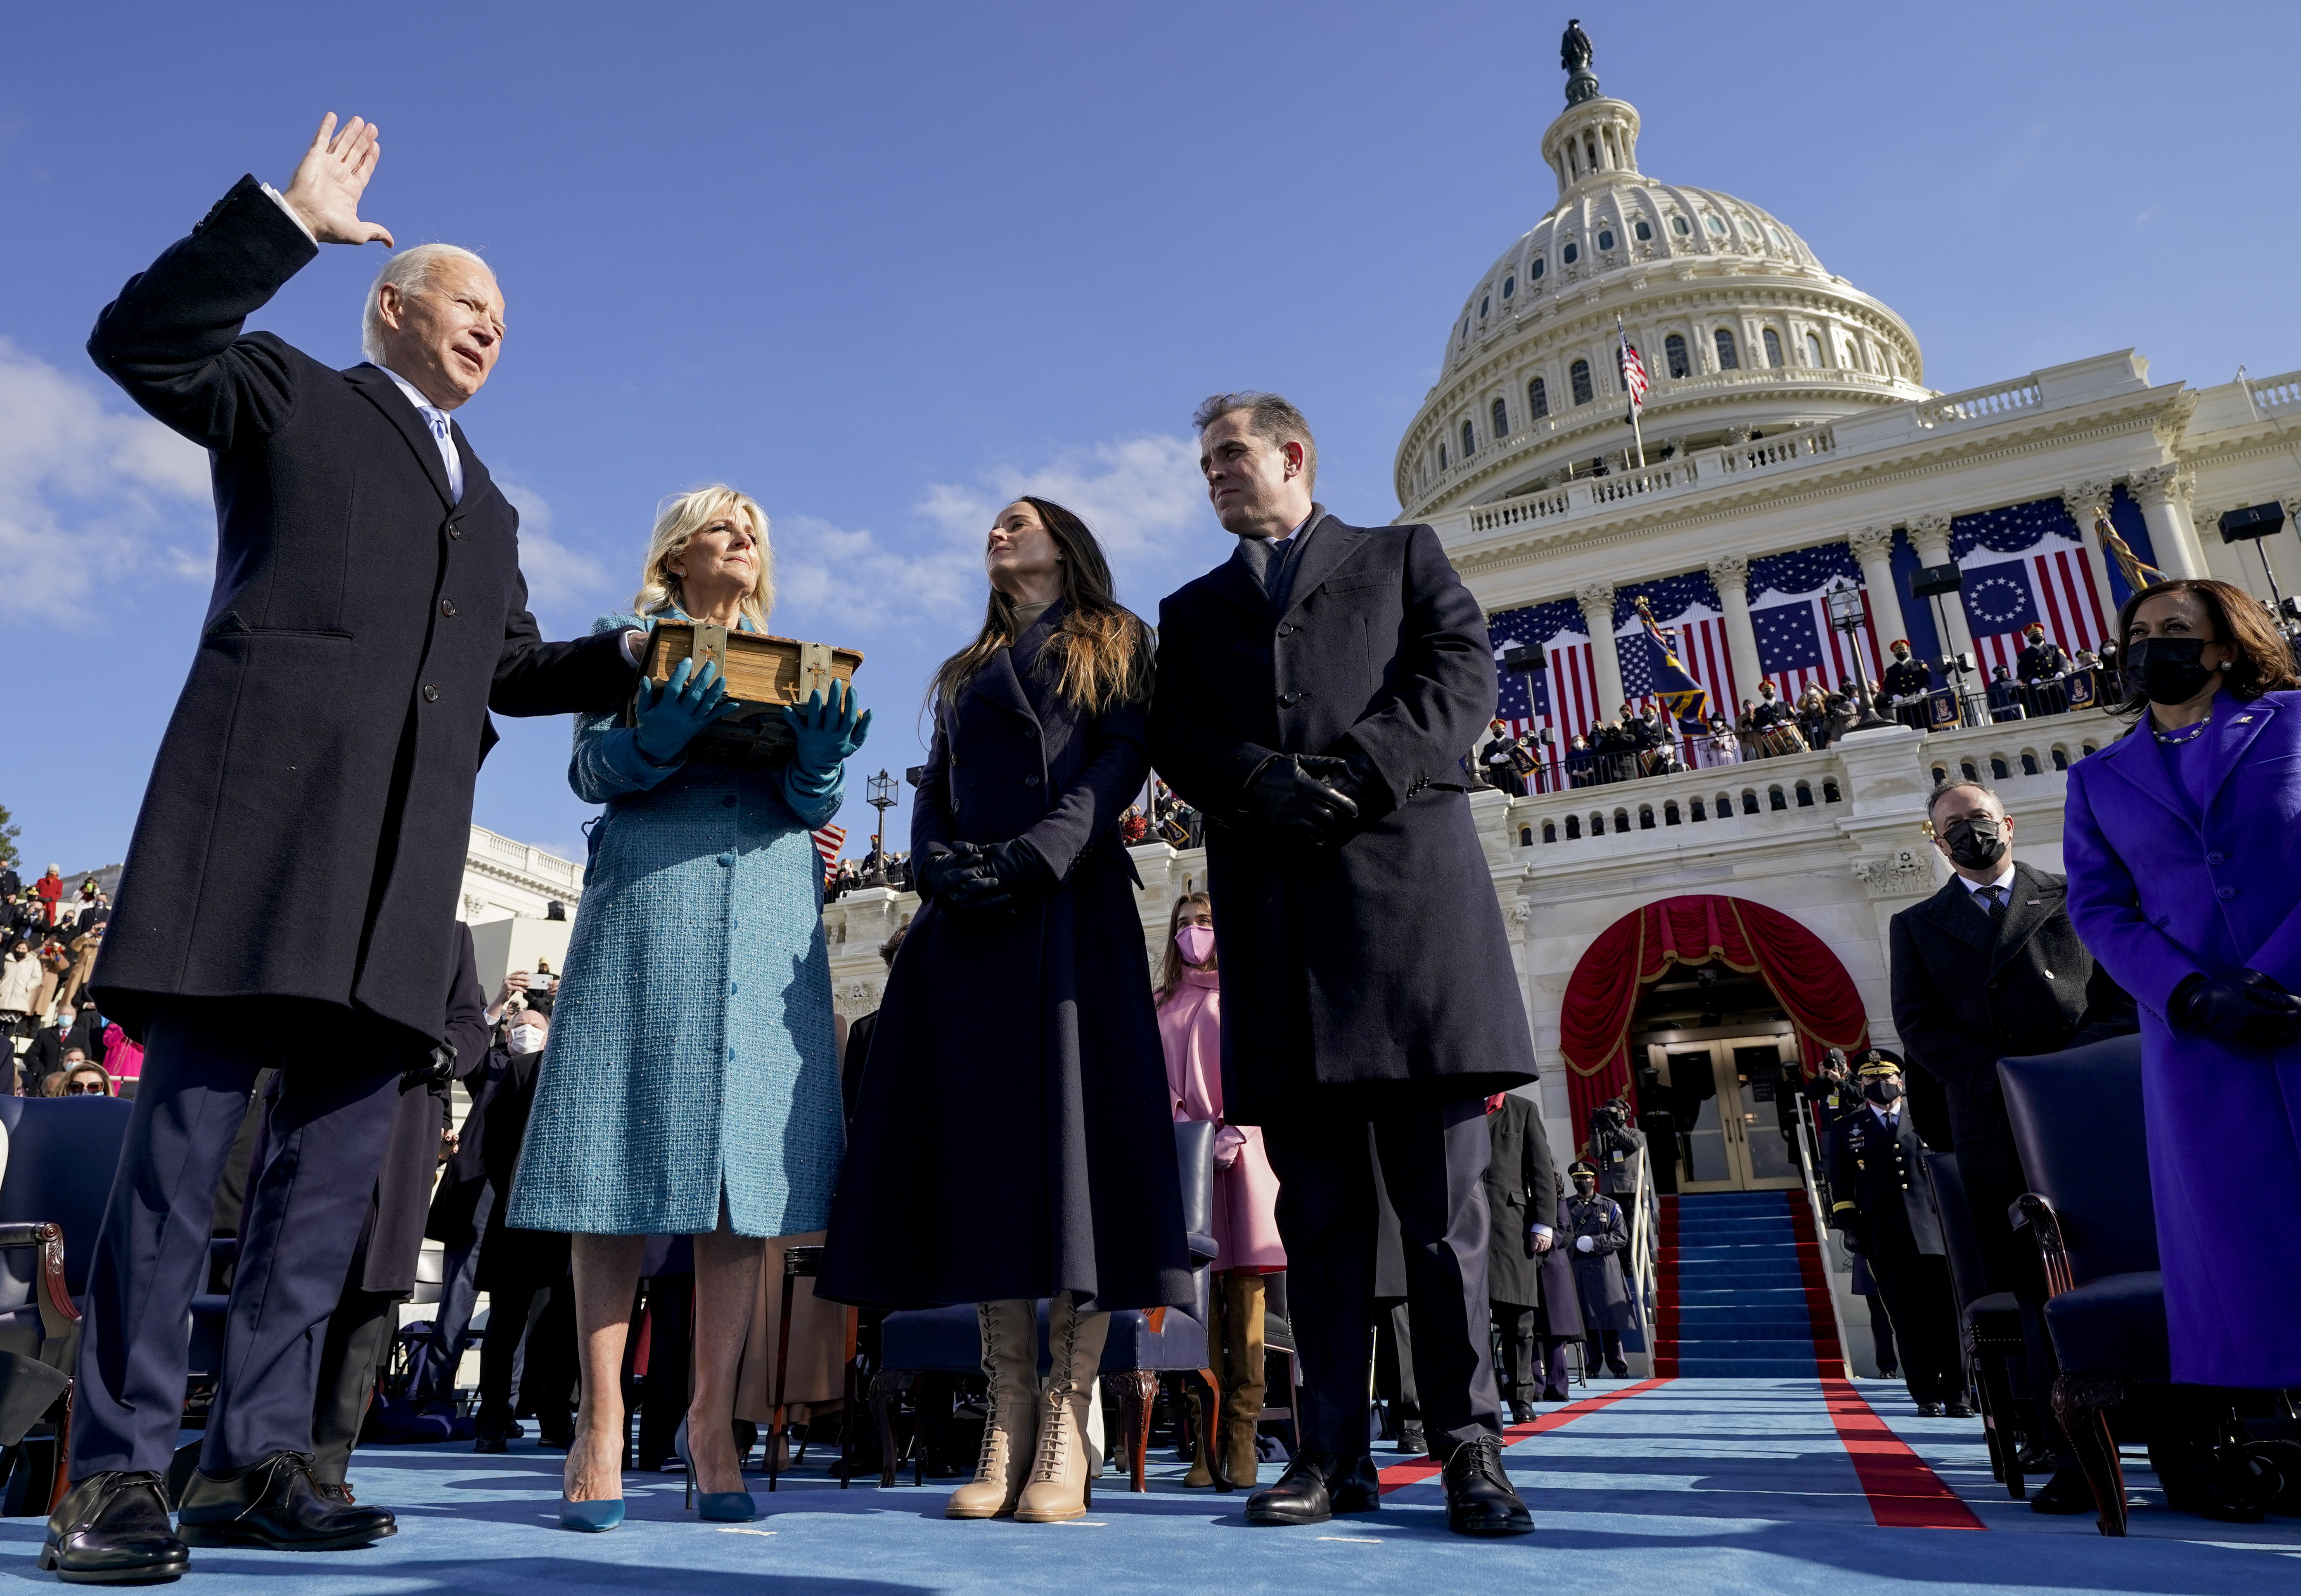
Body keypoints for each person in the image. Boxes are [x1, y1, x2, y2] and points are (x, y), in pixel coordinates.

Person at [46, 114, 647, 1584]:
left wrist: (631, 652)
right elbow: (140, 337)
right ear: (390, 305)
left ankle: (260, 1461)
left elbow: (507, 664)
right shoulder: (285, 395)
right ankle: (114, 1476)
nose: (493, 327)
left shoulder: (492, 503)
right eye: (469, 303)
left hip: (393, 889)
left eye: (505, 317)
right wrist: (284, 222)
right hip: (252, 846)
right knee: (183, 1172)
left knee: (320, 1200)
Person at [1147, 392, 1536, 1537]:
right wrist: (1256, 780)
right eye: (1203, 462)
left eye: (1229, 454)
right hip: (1283, 937)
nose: (1213, 474)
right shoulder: (1192, 607)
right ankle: (1327, 1456)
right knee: (1316, 1224)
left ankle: (1469, 1449)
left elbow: (1458, 678)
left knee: (1440, 1219)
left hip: (1411, 925)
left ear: (1292, 454)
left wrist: (1359, 772)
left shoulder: (1401, 555)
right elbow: (1173, 735)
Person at [822, 495, 1191, 1526]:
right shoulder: (961, 669)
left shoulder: (1117, 640)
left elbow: (1121, 760)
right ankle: (1008, 1410)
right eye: (993, 521)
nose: (999, 529)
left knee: (1072, 1158)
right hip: (971, 924)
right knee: (988, 1167)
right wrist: (939, 865)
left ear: (1064, 542)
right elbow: (936, 781)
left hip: (1068, 910)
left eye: (1020, 519)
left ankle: (1066, 1421)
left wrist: (1040, 854)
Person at [506, 485, 867, 1530]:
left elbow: (812, 806)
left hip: (765, 905)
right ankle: (598, 1417)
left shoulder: (796, 662)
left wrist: (822, 763)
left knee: (739, 1172)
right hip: (650, 900)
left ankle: (713, 1424)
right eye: (722, 525)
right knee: (613, 1158)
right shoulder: (627, 651)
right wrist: (651, 741)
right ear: (676, 555)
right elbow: (589, 768)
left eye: (756, 526)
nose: (744, 537)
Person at [2061, 577, 2301, 1394]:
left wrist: (2273, 973)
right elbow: (2097, 909)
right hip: (2200, 1043)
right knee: (2244, 1238)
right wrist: (2190, 994)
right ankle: (2272, 1414)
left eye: (2171, 629)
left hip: (2293, 1003)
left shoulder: (2293, 722)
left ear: (2223, 647)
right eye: (2135, 635)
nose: (2147, 646)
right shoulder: (2095, 780)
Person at [1890, 778, 2135, 1506]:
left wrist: (2070, 1067)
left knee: (2127, 1264)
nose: (1969, 834)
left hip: (2091, 1113)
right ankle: (2072, 1453)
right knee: (2038, 1290)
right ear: (1934, 843)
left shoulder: (2070, 895)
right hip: (1998, 1124)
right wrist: (1996, 1075)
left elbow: (2117, 993)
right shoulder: (1917, 924)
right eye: (1951, 827)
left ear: (2007, 820)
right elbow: (1918, 1025)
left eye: (1977, 819)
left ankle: (2183, 1443)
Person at [306, 927, 488, 1501]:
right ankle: (262, 1455)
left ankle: (327, 1471)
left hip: (404, 1123)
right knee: (297, 1289)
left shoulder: (451, 936)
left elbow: (470, 1022)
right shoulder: (335, 906)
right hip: (317, 1109)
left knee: (370, 1300)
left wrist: (446, 1053)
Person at [1155, 891, 1284, 1489]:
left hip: (1243, 1153)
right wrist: (1185, 1128)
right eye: (1183, 924)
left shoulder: (1247, 993)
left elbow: (1262, 1065)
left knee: (1247, 1296)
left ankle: (1242, 1438)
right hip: (1187, 1160)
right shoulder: (1158, 1004)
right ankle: (1203, 1446)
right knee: (1197, 1302)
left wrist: (1239, 1125)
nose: (1193, 932)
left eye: (1203, 921)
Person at [1824, 1052, 1965, 1416]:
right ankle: (1927, 1396)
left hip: (1936, 1233)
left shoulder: (1928, 1118)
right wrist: (1850, 1227)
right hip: (1883, 1237)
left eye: (1886, 1078)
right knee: (1906, 1319)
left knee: (1947, 1318)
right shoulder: (1846, 1129)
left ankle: (1958, 1395)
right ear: (1861, 1085)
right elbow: (1839, 1185)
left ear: (1901, 1081)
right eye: (1870, 1080)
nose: (1880, 1085)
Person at [1481, 1091, 1559, 1421]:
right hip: (1461, 1223)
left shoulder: (1523, 1109)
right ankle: (1480, 1399)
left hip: (1511, 1227)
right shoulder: (1456, 1105)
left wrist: (1544, 1223)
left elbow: (1541, 1169)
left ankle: (1521, 1398)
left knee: (1518, 1320)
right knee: (1469, 1321)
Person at [1562, 1162, 1631, 1377]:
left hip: (1604, 1269)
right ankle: (1592, 1367)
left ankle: (1618, 1366)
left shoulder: (1609, 1206)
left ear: (1594, 1180)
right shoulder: (1566, 1206)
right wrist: (1575, 1245)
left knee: (1610, 1319)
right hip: (1579, 1268)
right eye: (1578, 1179)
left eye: (1586, 1178)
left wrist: (1595, 1242)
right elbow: (1561, 1234)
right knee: (1586, 1320)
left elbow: (1621, 1237)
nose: (1582, 1182)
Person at [2017, 623, 2068, 716]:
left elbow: (2063, 661)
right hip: (2039, 691)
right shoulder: (2024, 655)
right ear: (2029, 638)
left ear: (2043, 635)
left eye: (2038, 634)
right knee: (2045, 714)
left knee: (2064, 711)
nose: (2036, 636)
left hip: (2057, 687)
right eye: (2033, 635)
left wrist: (2061, 672)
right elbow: (2022, 671)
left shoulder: (2054, 649)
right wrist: (2031, 679)